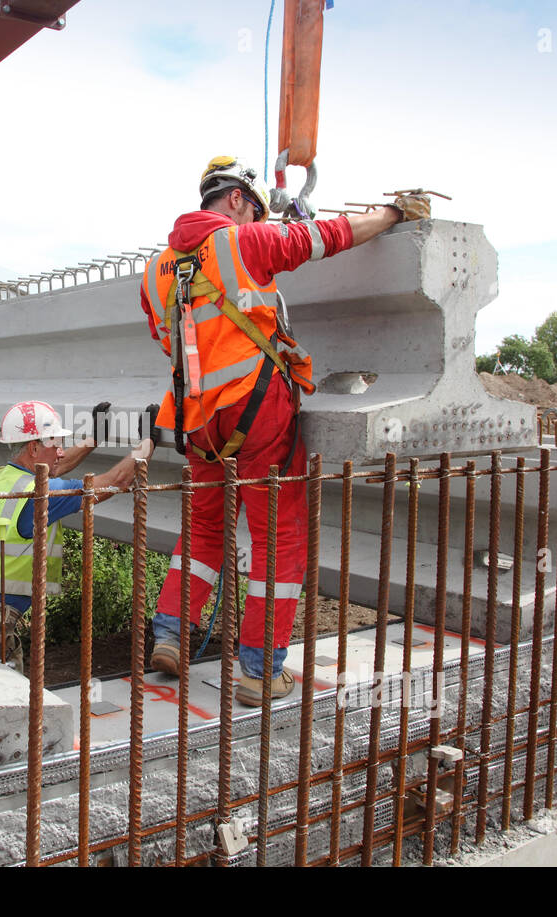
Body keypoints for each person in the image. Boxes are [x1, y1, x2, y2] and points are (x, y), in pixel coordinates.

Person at [141, 156, 430, 706]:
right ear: (235, 200)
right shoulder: (244, 245)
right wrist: (393, 213)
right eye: (255, 208)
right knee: (279, 535)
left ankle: (171, 635)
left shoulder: (156, 269)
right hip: (256, 408)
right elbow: (330, 235)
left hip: (192, 417)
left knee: (203, 529)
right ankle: (258, 669)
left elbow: (169, 339)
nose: (258, 217)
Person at [0, 400, 155, 667]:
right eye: (56, 445)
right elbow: (116, 481)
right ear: (34, 447)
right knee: (10, 704)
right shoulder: (41, 495)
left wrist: (94, 439)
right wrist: (148, 442)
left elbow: (54, 467)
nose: (61, 452)